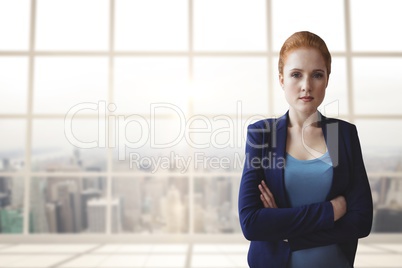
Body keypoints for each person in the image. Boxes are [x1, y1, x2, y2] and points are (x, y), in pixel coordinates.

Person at [238, 31, 373, 268]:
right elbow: (252, 222)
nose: (306, 86)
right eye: (296, 75)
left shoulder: (342, 135)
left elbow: (361, 221)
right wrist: (330, 211)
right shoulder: (263, 135)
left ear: (327, 79)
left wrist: (287, 231)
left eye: (317, 75)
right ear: (281, 79)